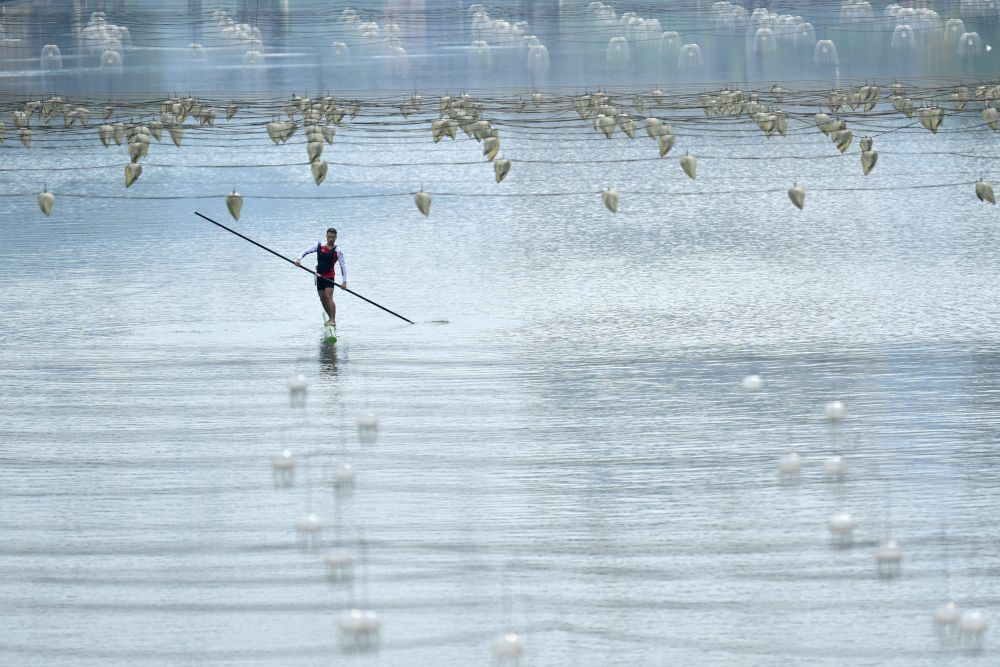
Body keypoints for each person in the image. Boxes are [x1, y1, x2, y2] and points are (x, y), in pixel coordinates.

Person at [294, 227, 347, 329]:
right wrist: (298, 259)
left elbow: (343, 267)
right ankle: (329, 316)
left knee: (328, 296)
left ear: (336, 237)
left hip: (329, 277)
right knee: (322, 298)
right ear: (326, 236)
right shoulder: (319, 246)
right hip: (319, 276)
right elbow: (305, 251)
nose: (330, 239)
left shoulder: (338, 251)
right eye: (329, 237)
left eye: (333, 237)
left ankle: (333, 320)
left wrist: (344, 282)